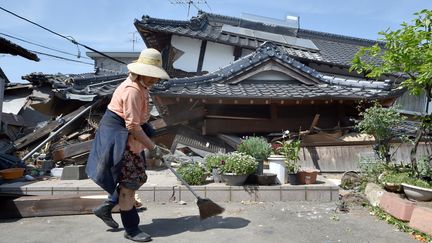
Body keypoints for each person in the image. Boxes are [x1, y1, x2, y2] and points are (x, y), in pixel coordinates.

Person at [86, 48, 169, 242]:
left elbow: (137, 121)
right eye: (151, 75)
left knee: (134, 178)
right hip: (118, 135)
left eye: (155, 76)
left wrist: (147, 132)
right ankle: (131, 229)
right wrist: (152, 147)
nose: (154, 80)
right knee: (129, 185)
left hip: (127, 132)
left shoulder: (142, 86)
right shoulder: (132, 91)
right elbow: (132, 125)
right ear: (141, 72)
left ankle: (106, 208)